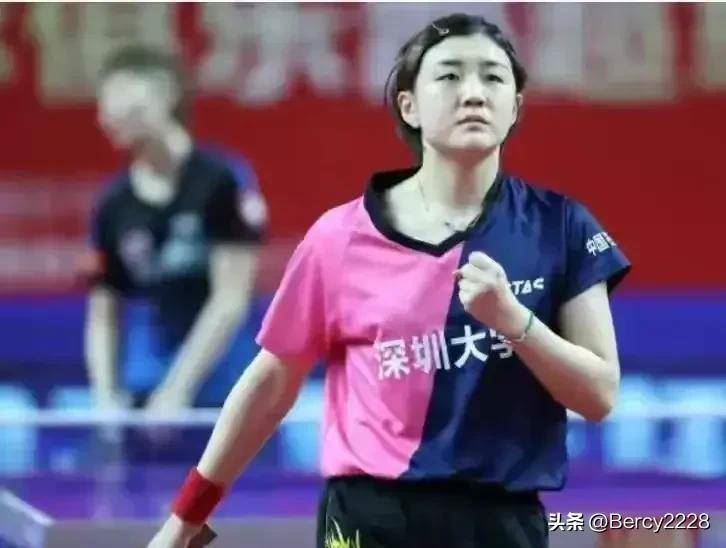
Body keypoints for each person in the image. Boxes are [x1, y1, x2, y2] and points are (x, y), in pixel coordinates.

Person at [148, 13, 631, 548]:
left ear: (514, 106)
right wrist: (185, 518)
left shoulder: (560, 227)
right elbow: (269, 386)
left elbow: (598, 395)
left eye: (493, 77)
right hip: (370, 517)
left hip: (501, 521)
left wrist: (515, 322)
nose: (473, 92)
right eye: (449, 76)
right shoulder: (339, 237)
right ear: (409, 106)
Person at [82, 45, 267, 414]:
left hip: (224, 396)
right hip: (144, 390)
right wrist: (105, 399)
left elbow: (230, 298)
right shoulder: (112, 203)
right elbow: (103, 313)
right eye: (102, 103)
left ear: (165, 94)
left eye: (119, 95)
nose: (106, 114)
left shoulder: (222, 180)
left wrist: (177, 390)